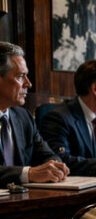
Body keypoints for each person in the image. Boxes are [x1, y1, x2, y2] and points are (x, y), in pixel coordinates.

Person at [0, 42, 69, 186]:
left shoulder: (23, 117)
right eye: (20, 76)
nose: (28, 84)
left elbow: (48, 155)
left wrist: (54, 167)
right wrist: (28, 174)